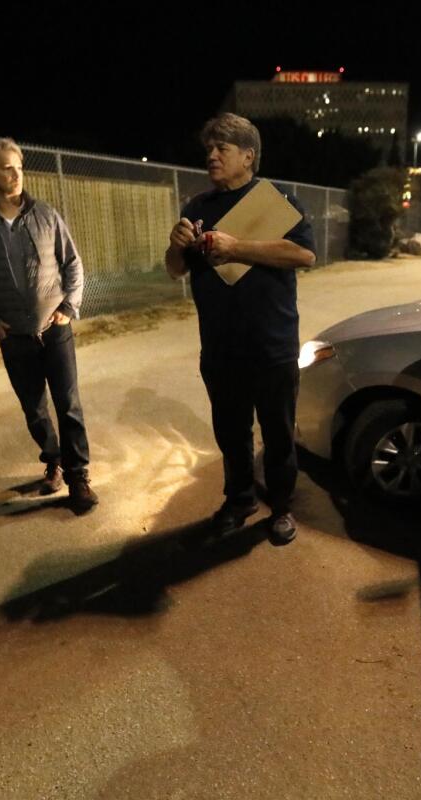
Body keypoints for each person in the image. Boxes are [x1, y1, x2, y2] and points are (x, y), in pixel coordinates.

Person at [165, 113, 316, 545]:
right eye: (209, 149)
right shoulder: (197, 208)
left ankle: (283, 507)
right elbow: (175, 271)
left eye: (222, 149)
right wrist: (176, 248)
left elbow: (304, 255)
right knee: (231, 434)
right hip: (219, 347)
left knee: (278, 434)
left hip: (272, 345)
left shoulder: (276, 199)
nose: (211, 156)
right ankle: (240, 499)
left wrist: (237, 246)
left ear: (248, 156)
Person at [0, 138, 98, 511]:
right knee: (34, 408)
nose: (16, 173)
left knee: (68, 404)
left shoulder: (45, 214)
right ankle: (54, 459)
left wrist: (69, 305)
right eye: (6, 167)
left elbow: (73, 263)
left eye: (19, 166)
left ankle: (79, 477)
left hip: (55, 329)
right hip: (14, 336)